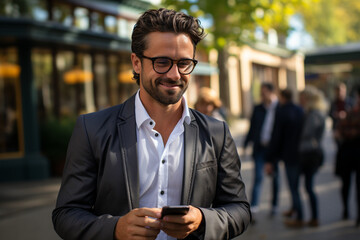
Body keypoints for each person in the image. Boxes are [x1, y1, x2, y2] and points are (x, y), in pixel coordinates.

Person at [52, 8, 251, 240]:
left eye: (184, 63)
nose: (175, 74)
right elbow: (66, 215)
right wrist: (115, 229)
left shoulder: (217, 132)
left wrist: (202, 220)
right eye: (162, 62)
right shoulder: (91, 129)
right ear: (137, 63)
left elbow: (239, 209)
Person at [265, 88, 304, 228]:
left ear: (282, 97)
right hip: (301, 153)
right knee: (297, 186)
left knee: (293, 188)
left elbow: (276, 136)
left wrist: (270, 158)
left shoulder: (281, 112)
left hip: (289, 155)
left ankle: (299, 217)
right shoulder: (300, 110)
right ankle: (295, 210)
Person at [243, 82, 280, 219]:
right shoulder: (258, 108)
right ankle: (254, 207)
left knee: (275, 177)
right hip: (259, 148)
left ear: (271, 92)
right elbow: (252, 128)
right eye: (261, 93)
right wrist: (246, 145)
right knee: (258, 177)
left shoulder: (279, 108)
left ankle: (274, 205)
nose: (262, 95)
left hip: (274, 150)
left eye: (264, 93)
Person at [298, 86, 327, 227]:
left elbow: (306, 132)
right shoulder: (313, 113)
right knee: (308, 186)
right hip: (311, 152)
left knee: (309, 187)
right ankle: (311, 217)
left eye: (302, 98)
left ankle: (314, 217)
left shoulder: (314, 114)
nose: (300, 100)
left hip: (311, 153)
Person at [334, 86, 360, 227]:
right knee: (346, 184)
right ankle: (346, 210)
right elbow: (339, 130)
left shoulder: (350, 113)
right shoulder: (351, 113)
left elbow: (341, 131)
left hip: (350, 151)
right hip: (348, 153)